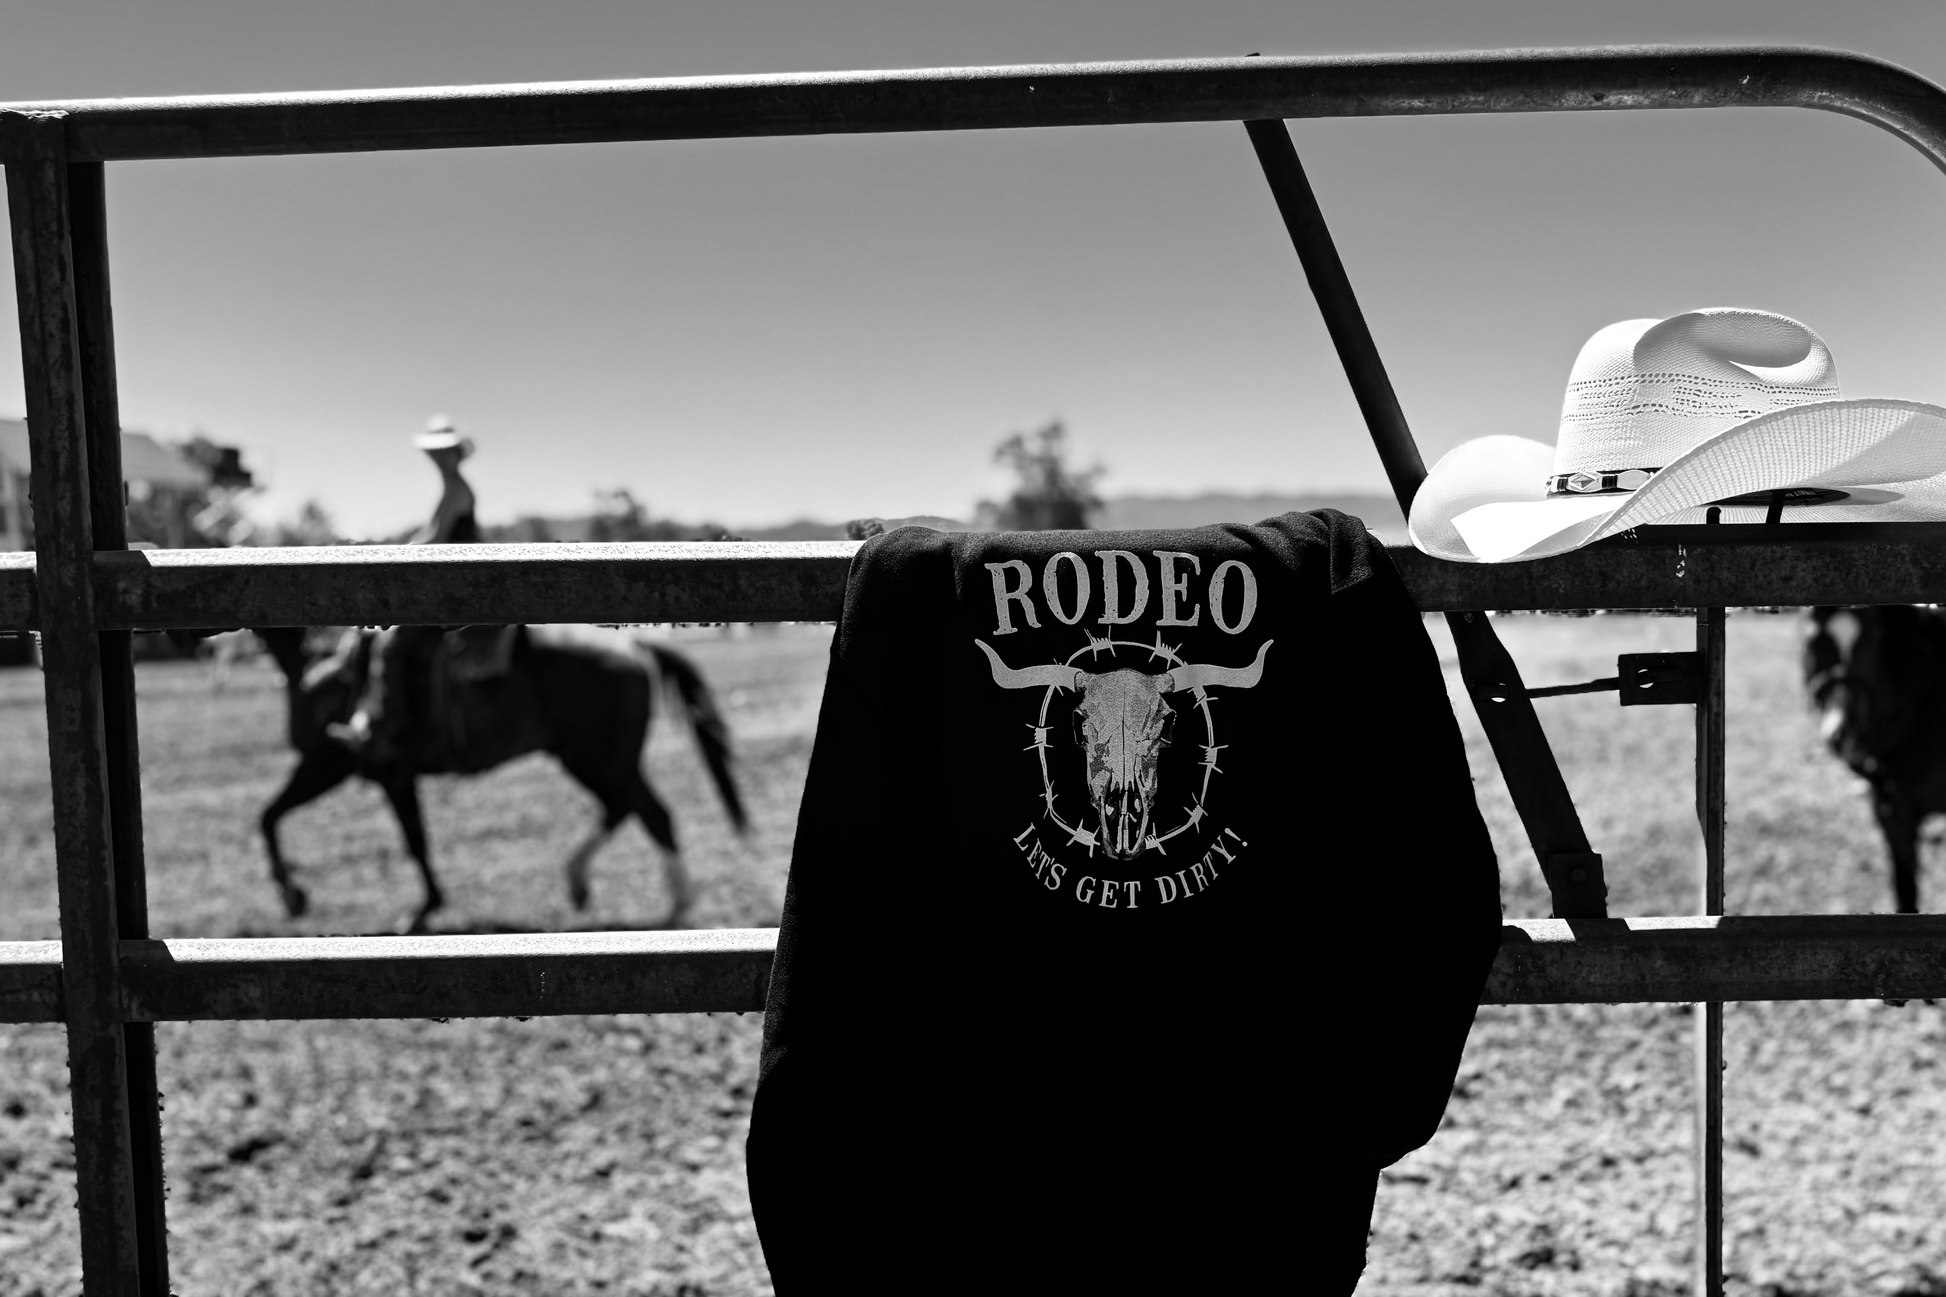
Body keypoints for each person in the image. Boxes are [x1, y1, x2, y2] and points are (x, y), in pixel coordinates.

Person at [329, 416, 481, 759]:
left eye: (444, 452)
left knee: (390, 643)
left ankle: (387, 726)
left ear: (455, 454)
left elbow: (435, 539)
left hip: (452, 591)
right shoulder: (455, 489)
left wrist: (393, 554)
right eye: (435, 452)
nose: (438, 458)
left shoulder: (456, 489)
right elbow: (430, 537)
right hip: (454, 584)